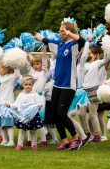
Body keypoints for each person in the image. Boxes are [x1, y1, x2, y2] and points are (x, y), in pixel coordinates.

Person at [34, 20, 85, 150]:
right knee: (55, 113)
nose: (59, 32)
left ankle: (76, 138)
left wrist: (68, 32)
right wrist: (37, 36)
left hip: (69, 85)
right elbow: (46, 40)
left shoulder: (74, 45)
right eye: (59, 30)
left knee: (62, 113)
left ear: (69, 32)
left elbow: (82, 40)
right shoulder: (59, 44)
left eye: (62, 30)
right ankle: (64, 140)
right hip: (57, 84)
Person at [78, 44, 109, 143]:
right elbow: (81, 57)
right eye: (86, 53)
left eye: (90, 53)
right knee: (81, 114)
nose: (87, 55)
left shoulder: (97, 63)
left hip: (94, 91)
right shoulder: (82, 64)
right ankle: (86, 133)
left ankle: (96, 134)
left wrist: (107, 48)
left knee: (92, 115)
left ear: (95, 55)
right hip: (83, 92)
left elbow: (106, 59)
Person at [5, 75, 43, 151]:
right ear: (23, 85)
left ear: (32, 85)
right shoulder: (21, 95)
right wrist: (10, 105)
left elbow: (40, 102)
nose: (28, 86)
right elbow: (16, 104)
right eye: (26, 84)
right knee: (22, 130)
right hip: (23, 116)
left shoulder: (35, 94)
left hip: (33, 115)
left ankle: (34, 144)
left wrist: (39, 106)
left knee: (33, 130)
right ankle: (19, 144)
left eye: (30, 84)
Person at [0, 60, 21, 146]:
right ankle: (4, 140)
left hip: (7, 105)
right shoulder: (0, 78)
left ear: (6, 69)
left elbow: (17, 75)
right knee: (2, 124)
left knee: (8, 125)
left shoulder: (12, 78)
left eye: (0, 68)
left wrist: (15, 63)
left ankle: (11, 141)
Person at [25, 46, 50, 147]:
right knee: (28, 118)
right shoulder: (32, 72)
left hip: (39, 98)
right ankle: (30, 139)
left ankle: (44, 140)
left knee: (39, 120)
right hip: (30, 97)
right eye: (34, 64)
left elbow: (44, 61)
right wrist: (22, 53)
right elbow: (27, 63)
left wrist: (44, 49)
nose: (35, 66)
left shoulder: (44, 73)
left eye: (37, 64)